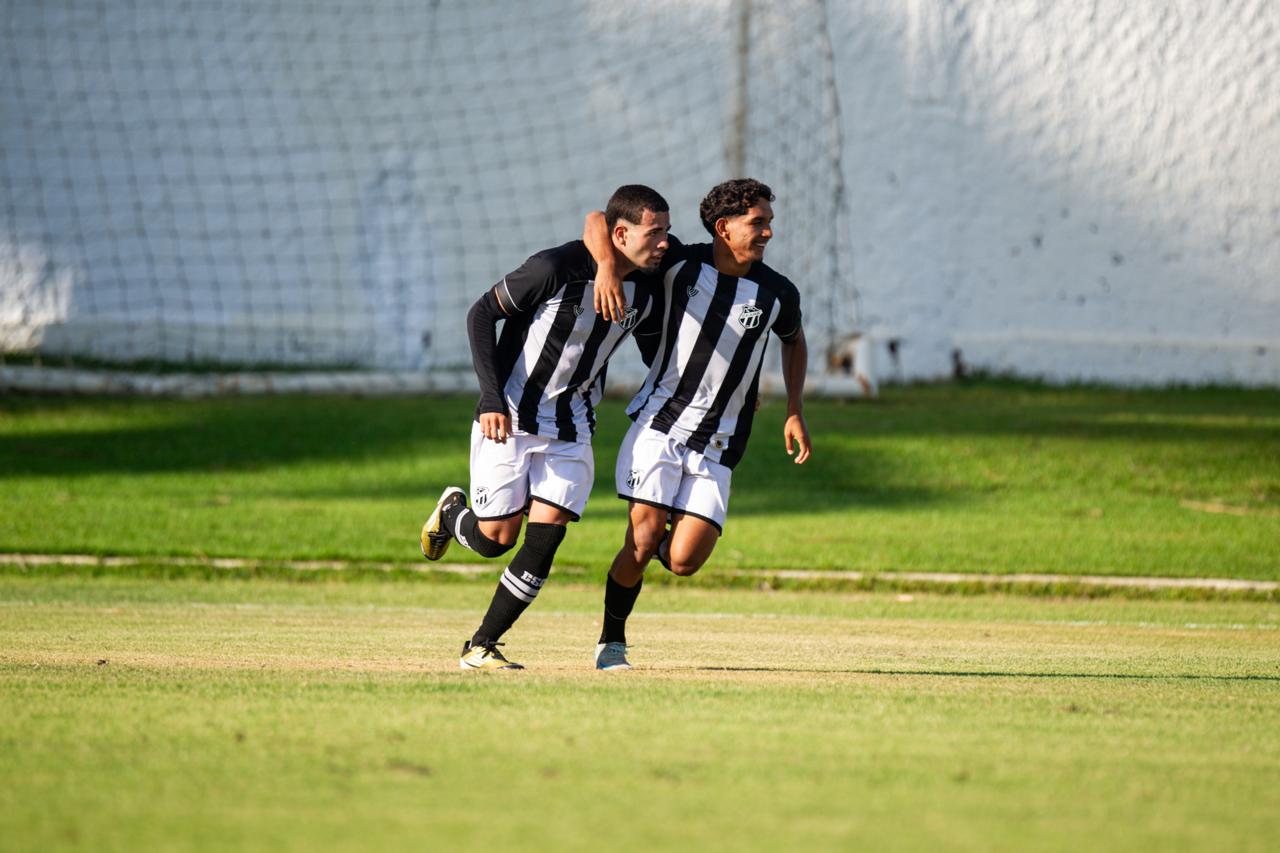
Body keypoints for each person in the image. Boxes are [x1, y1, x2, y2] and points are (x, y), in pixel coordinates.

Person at [420, 184, 670, 671]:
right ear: (622, 234)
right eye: (654, 232)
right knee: (495, 540)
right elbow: (480, 314)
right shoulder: (554, 269)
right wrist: (490, 396)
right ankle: (453, 514)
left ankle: (480, 645)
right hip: (509, 417)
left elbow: (656, 354)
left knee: (546, 536)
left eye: (667, 231)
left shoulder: (650, 282)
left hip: (573, 424)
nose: (664, 241)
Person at [584, 178, 811, 671]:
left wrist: (793, 408)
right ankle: (611, 641)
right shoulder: (679, 263)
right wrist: (605, 268)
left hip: (719, 443)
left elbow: (794, 340)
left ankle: (665, 526)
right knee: (642, 542)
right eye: (758, 222)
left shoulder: (776, 293)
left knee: (684, 561)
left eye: (769, 222)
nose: (768, 232)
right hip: (659, 427)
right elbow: (597, 223)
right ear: (723, 227)